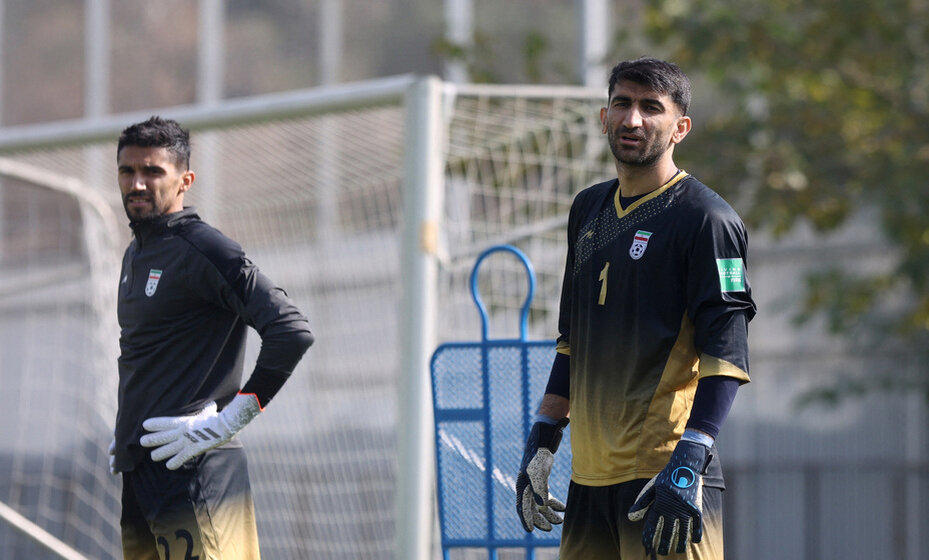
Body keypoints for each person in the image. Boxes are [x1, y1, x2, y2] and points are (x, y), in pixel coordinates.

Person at [516, 58, 755, 558]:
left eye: (652, 108)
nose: (633, 120)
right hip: (589, 480)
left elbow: (726, 355)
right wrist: (542, 438)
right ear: (604, 116)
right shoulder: (587, 210)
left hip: (665, 481)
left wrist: (691, 457)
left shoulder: (706, 219)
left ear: (680, 128)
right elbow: (571, 342)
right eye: (622, 104)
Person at [108, 116, 314, 560]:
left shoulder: (206, 248)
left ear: (185, 180)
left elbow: (290, 332)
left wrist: (227, 422)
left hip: (196, 471)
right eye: (128, 171)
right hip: (142, 474)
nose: (137, 183)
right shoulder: (136, 253)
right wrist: (128, 429)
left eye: (152, 172)